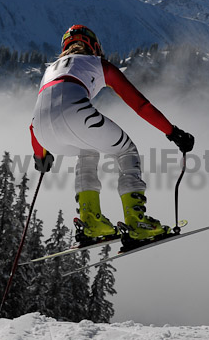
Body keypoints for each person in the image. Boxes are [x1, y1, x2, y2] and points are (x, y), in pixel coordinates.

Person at [30, 24, 194, 243]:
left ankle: (90, 221)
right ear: (95, 46)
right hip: (76, 114)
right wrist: (173, 133)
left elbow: (33, 125)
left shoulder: (50, 70)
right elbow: (140, 105)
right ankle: (137, 222)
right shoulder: (98, 64)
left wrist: (40, 157)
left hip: (42, 132)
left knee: (87, 150)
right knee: (126, 150)